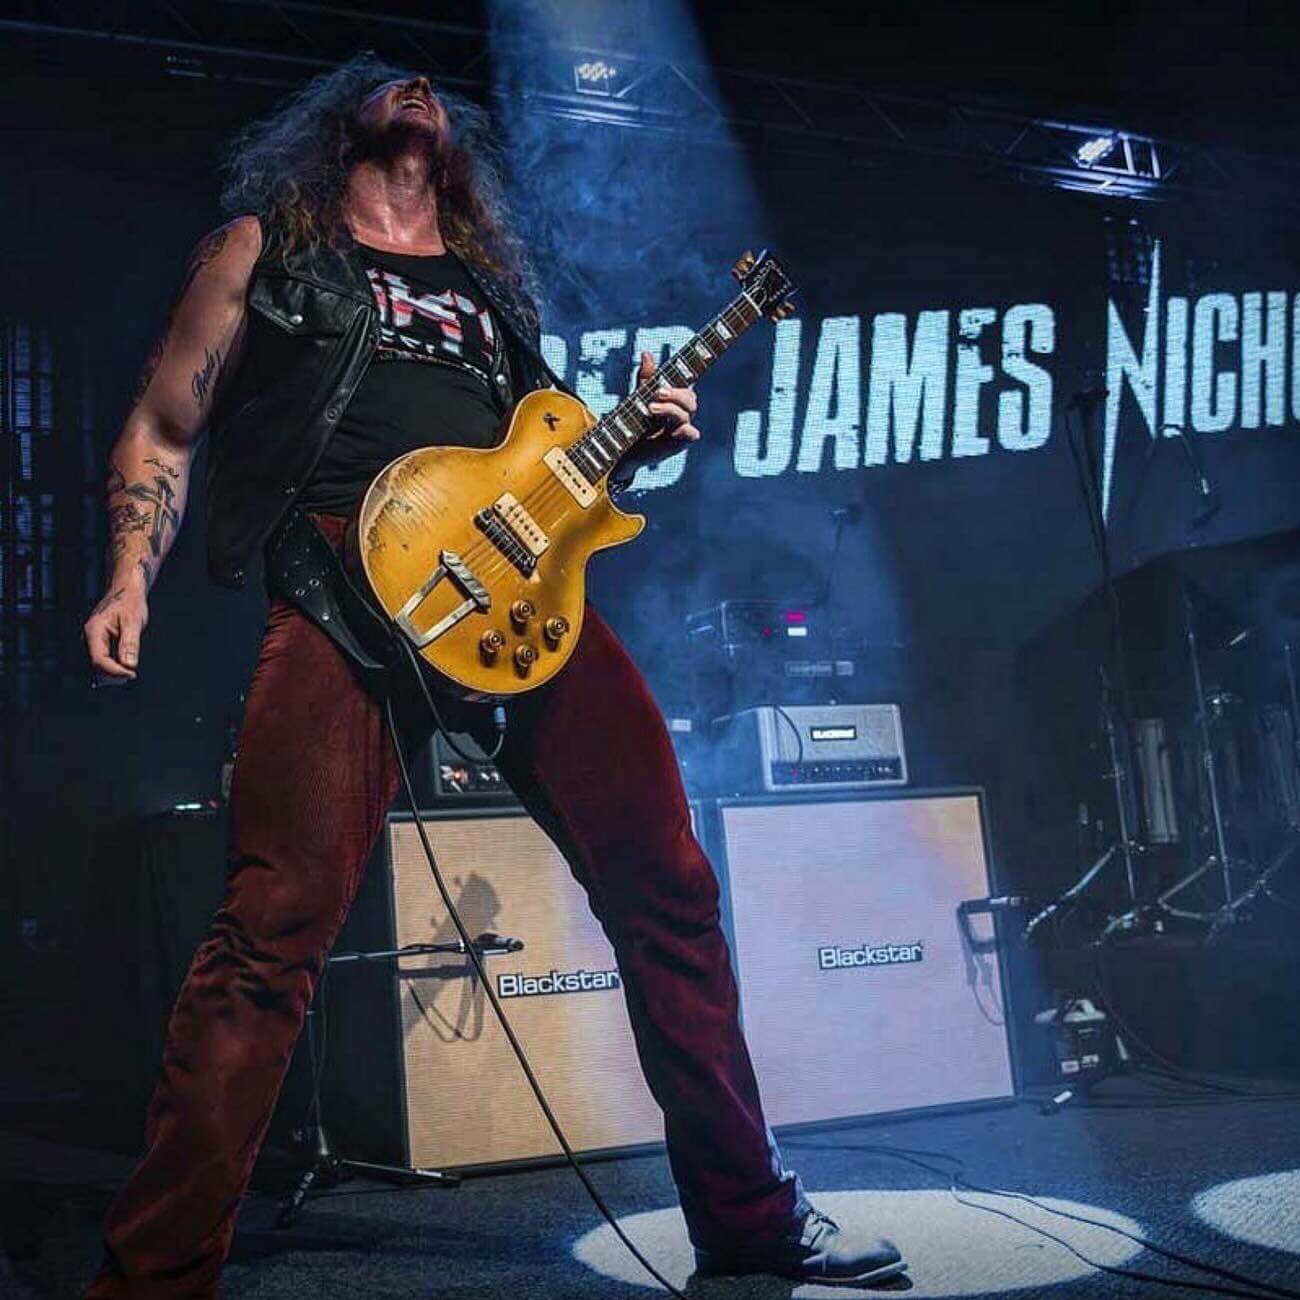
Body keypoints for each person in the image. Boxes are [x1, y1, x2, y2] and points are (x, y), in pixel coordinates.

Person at [81, 53, 905, 1296]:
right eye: (387, 77)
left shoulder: (486, 290)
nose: (417, 81)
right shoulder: (268, 248)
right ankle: (153, 1275)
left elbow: (550, 471)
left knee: (670, 888)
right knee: (270, 930)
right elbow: (164, 422)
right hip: (347, 589)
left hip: (523, 604)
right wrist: (128, 575)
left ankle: (749, 1216)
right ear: (337, 122)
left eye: (432, 83)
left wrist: (630, 445)